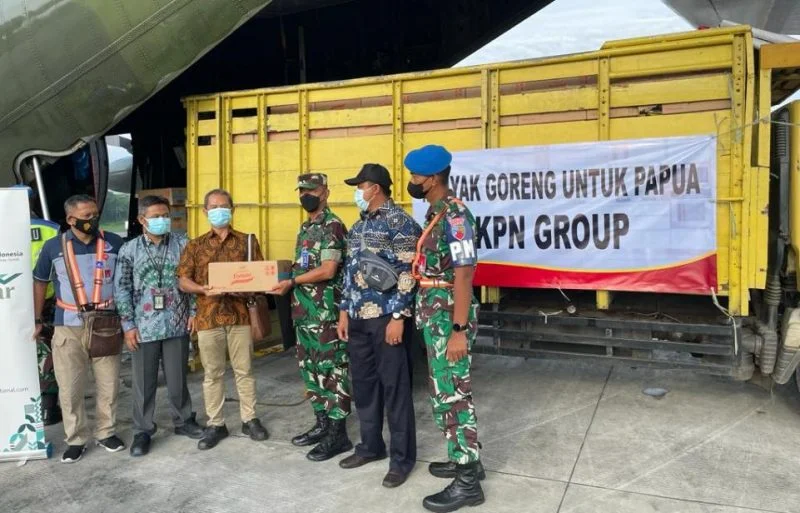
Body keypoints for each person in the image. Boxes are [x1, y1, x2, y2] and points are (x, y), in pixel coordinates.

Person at [405, 145, 485, 512]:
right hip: (434, 315)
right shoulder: (436, 214)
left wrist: (458, 329)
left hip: (448, 317)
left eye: (416, 177)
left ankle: (467, 482)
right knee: (443, 392)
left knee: (453, 395)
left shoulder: (455, 217)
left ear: (433, 179)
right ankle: (465, 459)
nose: (412, 182)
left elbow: (465, 274)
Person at [338, 164, 421, 488]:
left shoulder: (400, 222)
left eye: (359, 186)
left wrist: (399, 317)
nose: (357, 192)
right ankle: (370, 446)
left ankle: (402, 460)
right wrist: (344, 311)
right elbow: (348, 272)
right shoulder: (357, 227)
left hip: (387, 318)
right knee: (364, 387)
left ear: (374, 188)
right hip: (358, 319)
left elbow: (408, 272)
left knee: (395, 389)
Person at [32, 194, 126, 463]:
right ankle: (76, 439)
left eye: (95, 214)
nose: (93, 220)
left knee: (109, 384)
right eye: (86, 217)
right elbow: (39, 282)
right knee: (70, 388)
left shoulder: (114, 243)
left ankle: (106, 432)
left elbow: (126, 280)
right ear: (71, 220)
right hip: (68, 326)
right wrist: (38, 319)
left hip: (106, 324)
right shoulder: (53, 247)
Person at [177, 188, 269, 450]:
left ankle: (250, 419)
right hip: (208, 318)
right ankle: (216, 423)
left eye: (224, 206)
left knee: (245, 370)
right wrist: (203, 289)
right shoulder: (194, 245)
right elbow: (183, 280)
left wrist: (246, 286)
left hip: (240, 316)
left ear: (232, 209)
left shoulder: (247, 242)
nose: (219, 211)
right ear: (205, 212)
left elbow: (260, 275)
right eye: (214, 207)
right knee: (213, 374)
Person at [114, 195, 205, 457]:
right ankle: (143, 430)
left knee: (178, 378)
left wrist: (193, 312)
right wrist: (128, 325)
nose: (163, 220)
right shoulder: (129, 250)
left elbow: (193, 281)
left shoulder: (182, 244)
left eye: (165, 215)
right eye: (156, 216)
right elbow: (122, 289)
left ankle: (184, 420)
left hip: (176, 323)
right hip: (144, 327)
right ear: (142, 220)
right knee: (144, 381)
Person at [271, 173, 353, 461]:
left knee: (332, 372)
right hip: (305, 314)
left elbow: (328, 270)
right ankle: (322, 424)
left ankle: (338, 434)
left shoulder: (331, 226)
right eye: (302, 190)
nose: (306, 195)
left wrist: (293, 281)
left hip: (326, 314)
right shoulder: (306, 228)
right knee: (311, 371)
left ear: (325, 192)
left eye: (312, 190)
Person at [15, 183, 62, 426]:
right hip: (47, 303)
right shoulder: (51, 229)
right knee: (48, 357)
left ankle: (20, 403)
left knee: (19, 354)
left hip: (11, 303)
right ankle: (48, 409)